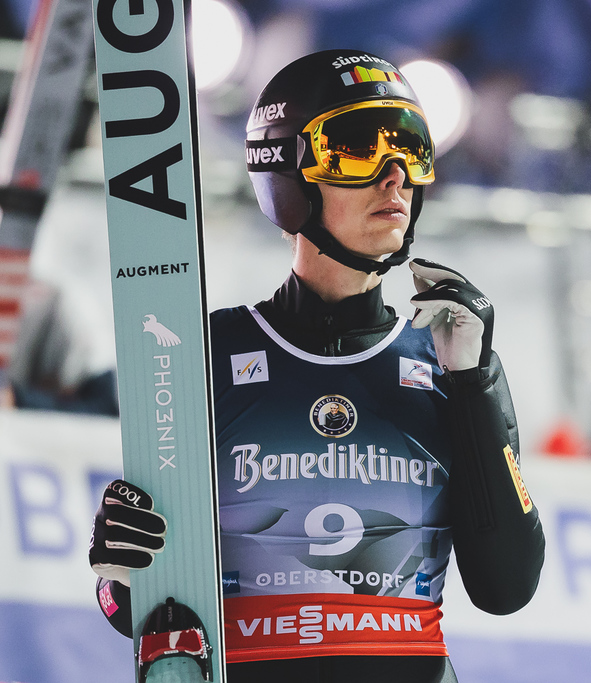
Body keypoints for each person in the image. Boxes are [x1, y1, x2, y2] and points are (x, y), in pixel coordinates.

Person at [88, 49, 545, 683]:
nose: (395, 177)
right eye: (356, 149)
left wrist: (474, 385)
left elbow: (507, 588)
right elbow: (132, 605)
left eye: (411, 151)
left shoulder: (448, 361)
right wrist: (118, 575)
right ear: (287, 174)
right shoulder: (204, 355)